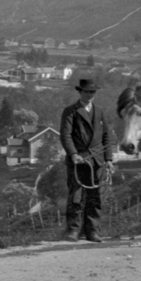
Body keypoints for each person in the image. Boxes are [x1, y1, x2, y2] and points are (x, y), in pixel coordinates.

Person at [59, 77, 114, 242]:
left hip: (97, 160)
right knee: (76, 196)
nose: (90, 95)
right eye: (86, 92)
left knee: (94, 196)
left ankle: (92, 231)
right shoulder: (71, 111)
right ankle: (73, 230)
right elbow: (65, 135)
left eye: (92, 92)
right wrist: (74, 154)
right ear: (80, 92)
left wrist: (109, 159)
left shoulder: (100, 111)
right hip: (78, 160)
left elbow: (107, 136)